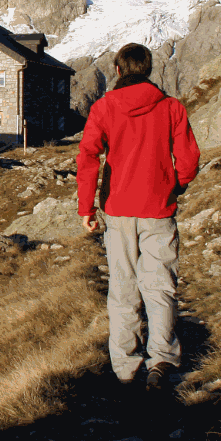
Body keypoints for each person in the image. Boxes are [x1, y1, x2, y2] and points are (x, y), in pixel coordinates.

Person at [77, 43, 200, 390]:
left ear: (118, 70)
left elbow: (88, 157)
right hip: (159, 208)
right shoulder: (171, 107)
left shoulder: (104, 107)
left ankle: (126, 369)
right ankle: (160, 360)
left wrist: (86, 207)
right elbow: (188, 158)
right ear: (148, 70)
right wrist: (177, 186)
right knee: (160, 285)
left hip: (118, 210)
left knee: (122, 289)